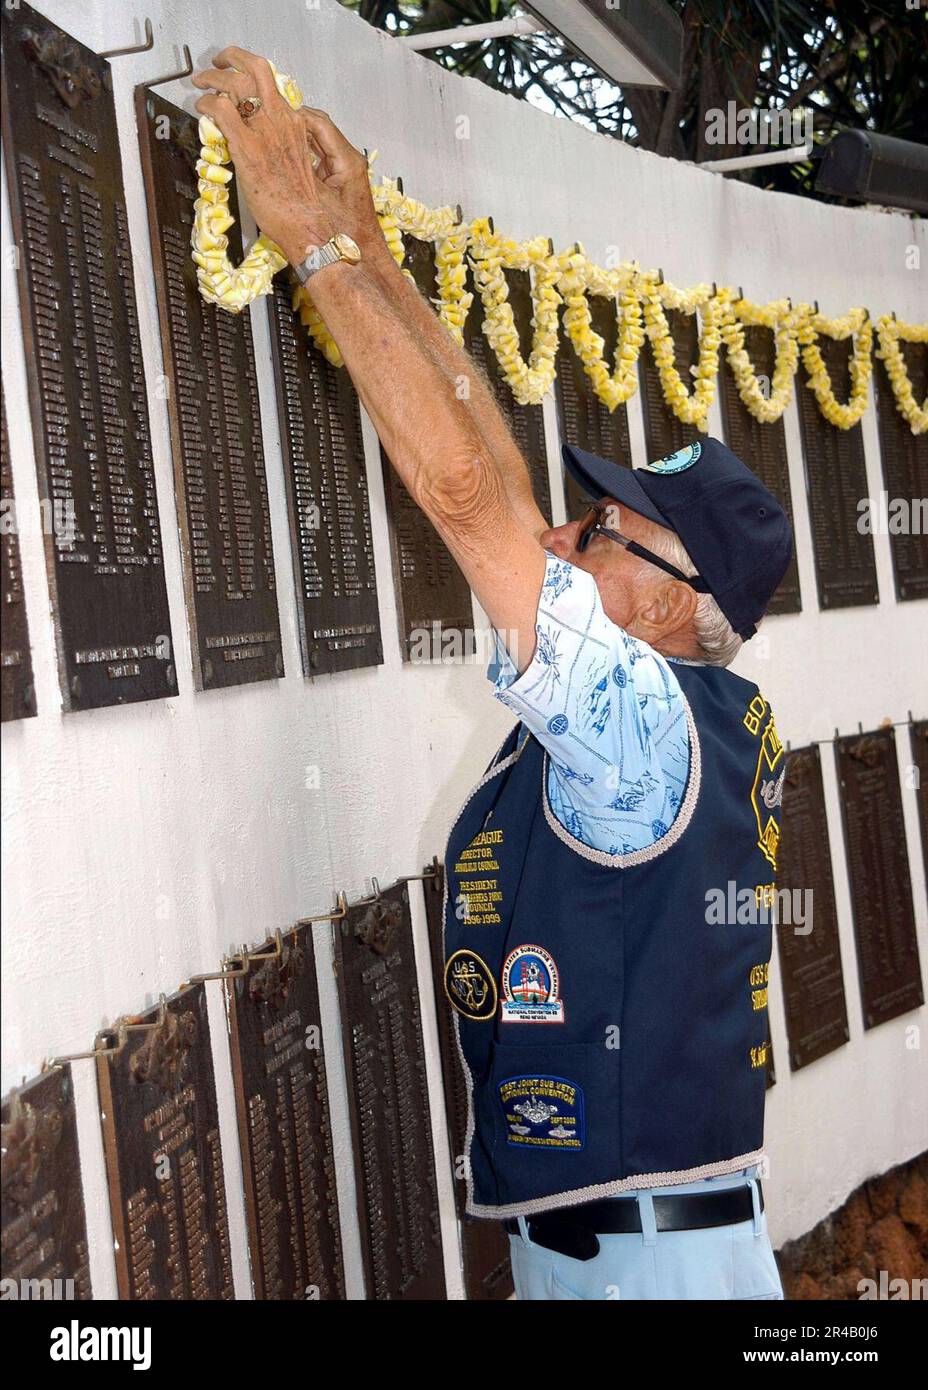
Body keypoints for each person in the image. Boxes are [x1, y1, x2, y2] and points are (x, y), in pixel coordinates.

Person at [193, 48, 791, 1300]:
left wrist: (312, 248)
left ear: (680, 605)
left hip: (637, 1269)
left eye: (604, 532)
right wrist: (370, 242)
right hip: (646, 1245)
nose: (566, 539)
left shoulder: (640, 725)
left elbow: (472, 505)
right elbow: (507, 509)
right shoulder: (685, 707)